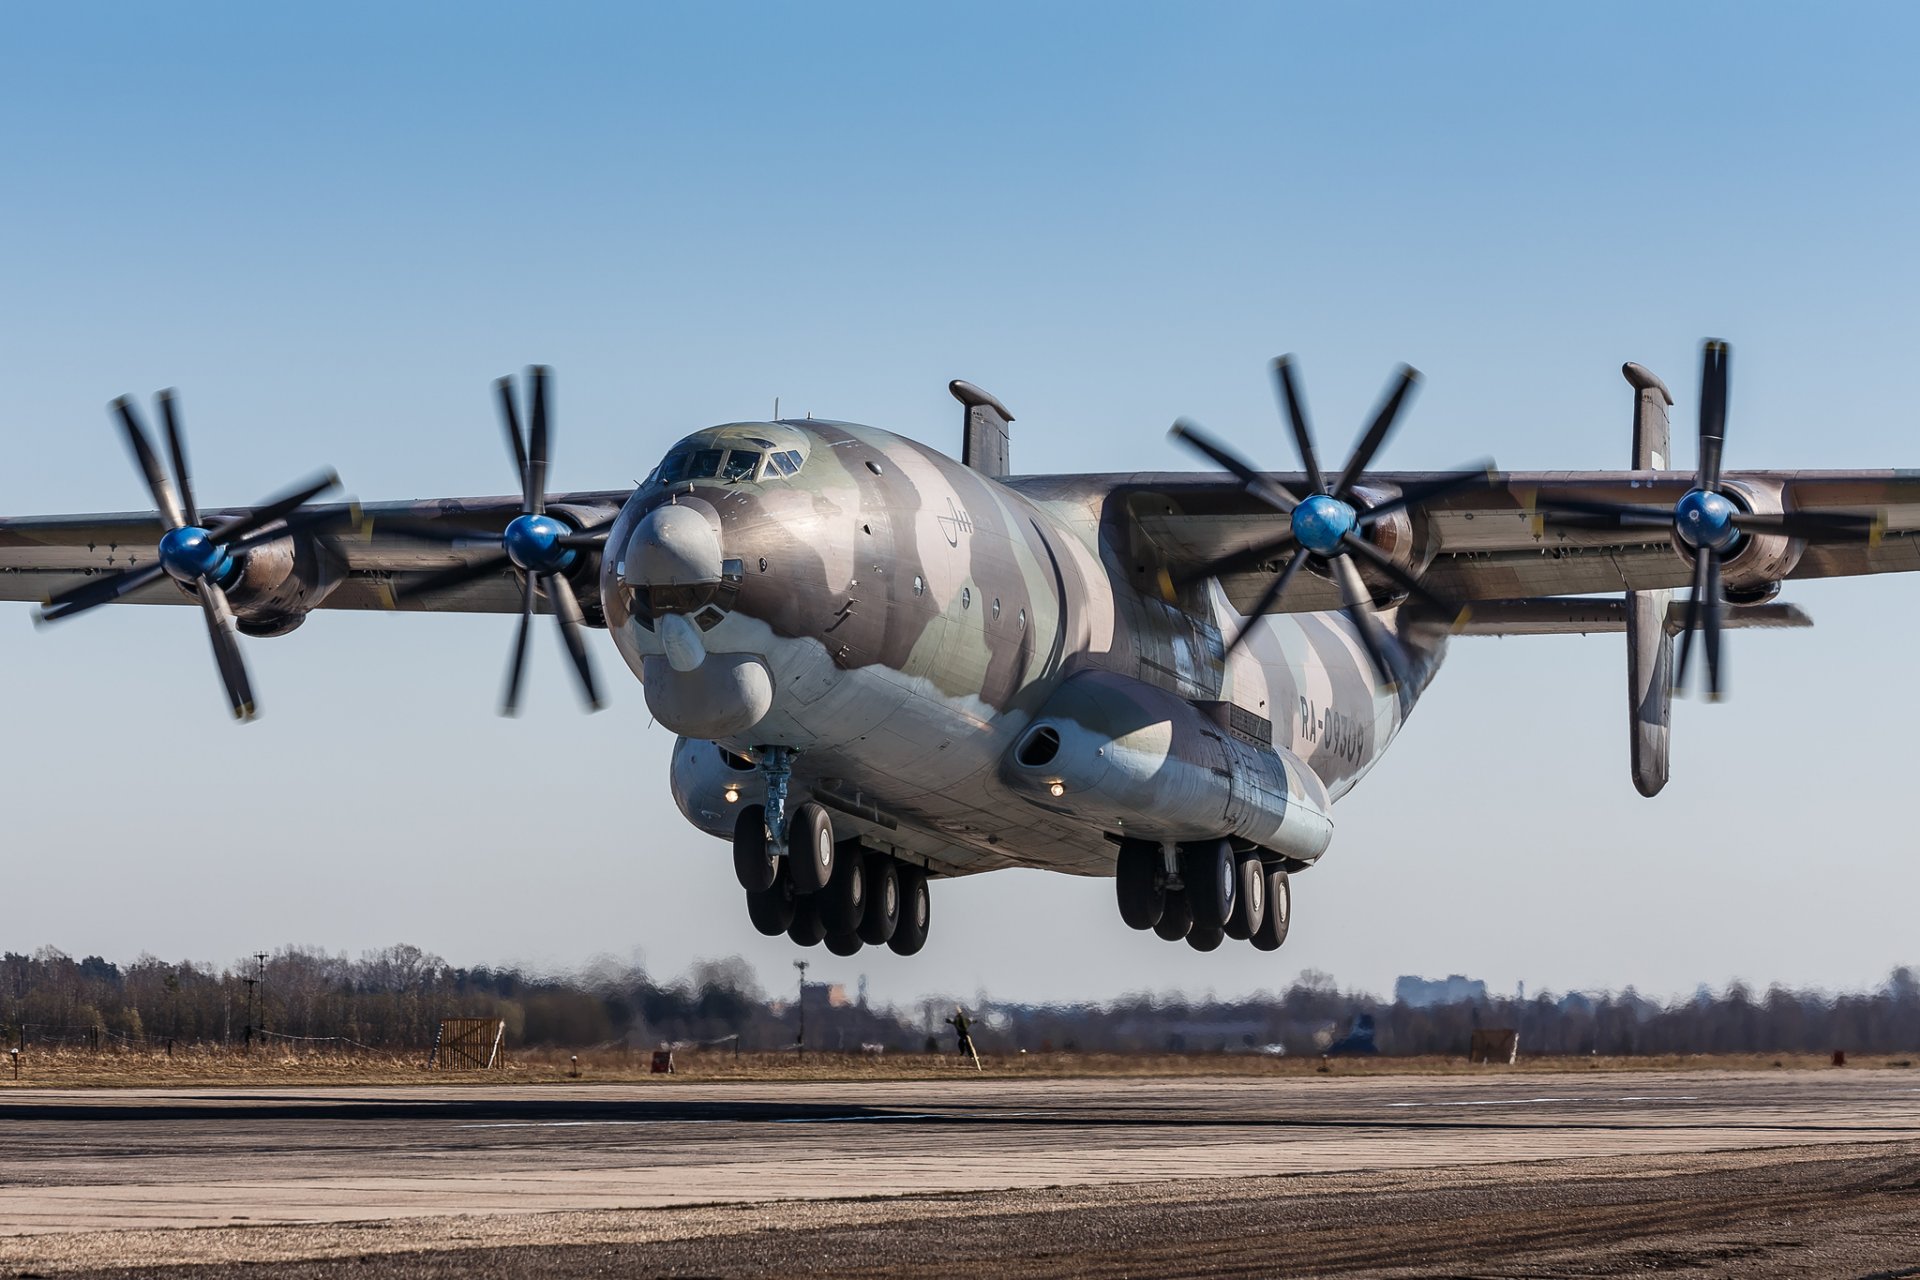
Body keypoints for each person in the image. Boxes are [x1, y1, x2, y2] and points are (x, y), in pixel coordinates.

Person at [945, 1006, 981, 1071]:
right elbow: (965, 1022)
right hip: (963, 1034)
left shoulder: (960, 1018)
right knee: (963, 1043)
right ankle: (969, 1055)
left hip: (964, 1034)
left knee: (966, 1044)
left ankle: (971, 1055)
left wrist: (951, 1022)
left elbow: (962, 1023)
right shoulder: (959, 1018)